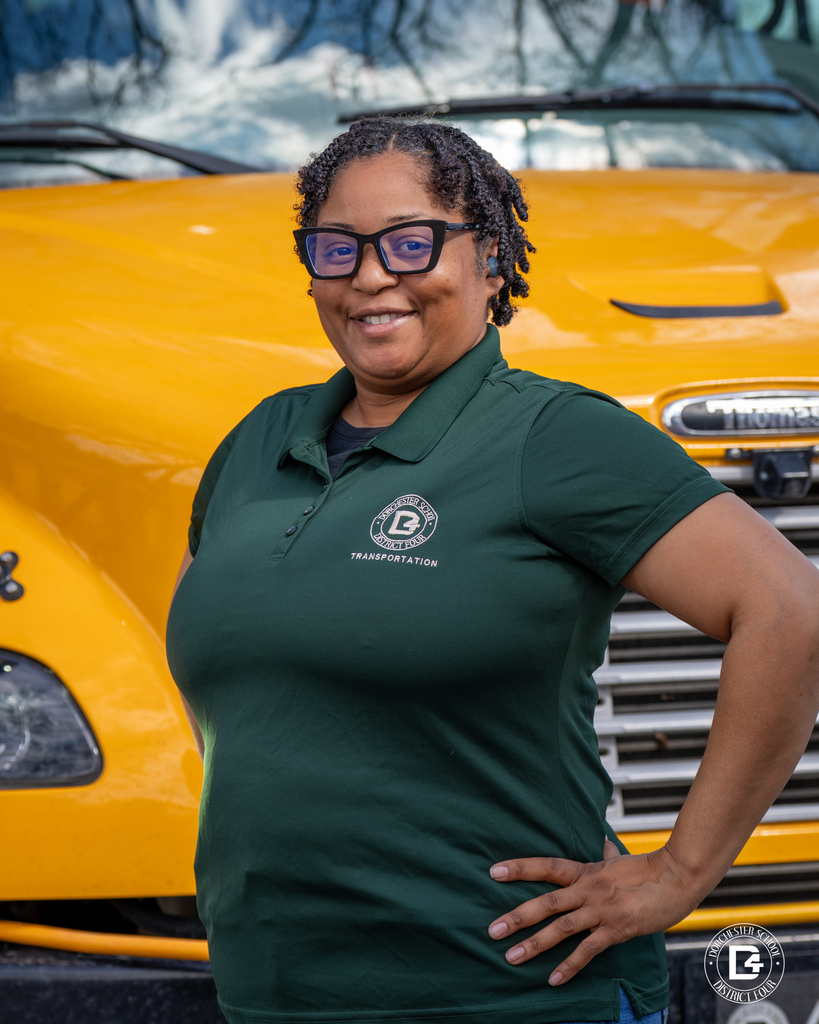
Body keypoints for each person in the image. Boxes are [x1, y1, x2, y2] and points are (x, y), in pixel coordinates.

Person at [166, 117, 819, 1024]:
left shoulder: (552, 437)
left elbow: (791, 608)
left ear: (489, 261)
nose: (369, 275)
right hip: (275, 996)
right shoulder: (256, 444)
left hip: (507, 997)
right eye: (335, 247)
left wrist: (678, 874)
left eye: (410, 241)